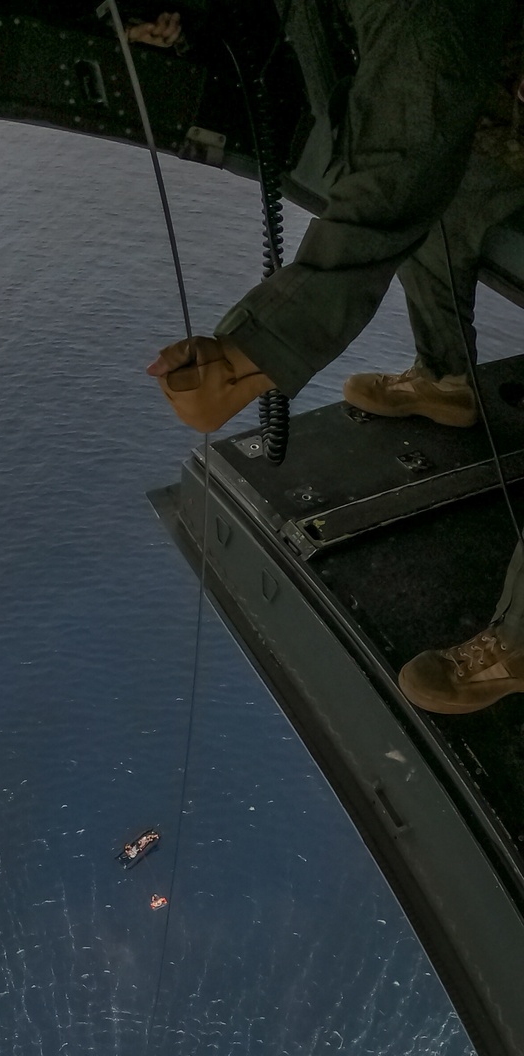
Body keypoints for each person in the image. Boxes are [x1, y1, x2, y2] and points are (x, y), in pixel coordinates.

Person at [148, 0, 524, 713]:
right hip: (495, 100)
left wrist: (253, 352)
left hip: (479, 83)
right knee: (448, 201)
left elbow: (403, 153)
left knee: (426, 180)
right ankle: (445, 380)